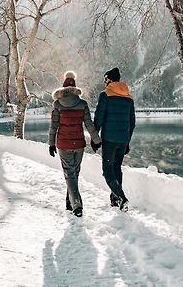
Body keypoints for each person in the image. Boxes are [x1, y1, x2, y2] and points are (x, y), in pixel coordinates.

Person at [48, 70, 101, 217]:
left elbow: (54, 126)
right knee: (74, 173)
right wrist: (97, 140)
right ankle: (69, 202)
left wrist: (51, 143)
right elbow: (89, 125)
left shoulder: (57, 104)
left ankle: (76, 205)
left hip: (63, 144)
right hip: (78, 144)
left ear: (63, 89)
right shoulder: (82, 104)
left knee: (70, 174)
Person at [92, 67, 135, 211]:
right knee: (117, 168)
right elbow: (132, 122)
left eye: (105, 79)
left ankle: (121, 197)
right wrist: (127, 141)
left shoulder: (105, 95)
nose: (104, 82)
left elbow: (98, 118)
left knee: (107, 169)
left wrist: (94, 138)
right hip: (123, 139)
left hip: (109, 139)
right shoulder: (128, 97)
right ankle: (115, 200)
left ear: (109, 79)